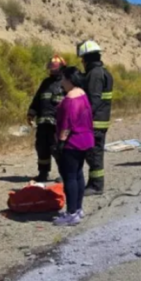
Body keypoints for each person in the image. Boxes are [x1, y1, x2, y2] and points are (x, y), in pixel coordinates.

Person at [53, 66, 94, 226]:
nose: (62, 82)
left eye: (63, 78)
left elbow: (67, 123)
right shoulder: (82, 93)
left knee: (69, 176)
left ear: (70, 80)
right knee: (78, 174)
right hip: (85, 139)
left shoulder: (70, 98)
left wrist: (61, 141)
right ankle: (78, 209)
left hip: (73, 142)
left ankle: (71, 214)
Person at [76, 40, 113, 196]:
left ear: (87, 58)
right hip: (99, 121)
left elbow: (93, 100)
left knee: (94, 154)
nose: (82, 62)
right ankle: (94, 183)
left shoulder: (95, 74)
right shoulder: (101, 72)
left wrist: (81, 119)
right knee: (93, 153)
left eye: (82, 59)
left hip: (95, 122)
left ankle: (96, 186)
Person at [27, 55, 66, 182]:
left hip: (57, 125)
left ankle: (64, 173)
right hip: (43, 123)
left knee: (57, 148)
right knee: (42, 148)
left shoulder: (65, 83)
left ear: (61, 68)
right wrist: (31, 113)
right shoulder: (46, 83)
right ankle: (43, 173)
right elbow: (37, 99)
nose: (52, 72)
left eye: (55, 69)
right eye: (51, 69)